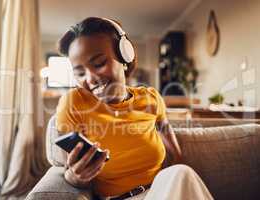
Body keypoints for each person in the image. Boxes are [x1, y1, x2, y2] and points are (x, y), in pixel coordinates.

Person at [56, 17, 213, 200]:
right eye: (80, 73)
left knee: (181, 173)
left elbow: (176, 154)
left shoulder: (150, 98)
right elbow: (67, 170)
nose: (90, 79)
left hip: (160, 192)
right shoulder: (74, 102)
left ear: (125, 57)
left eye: (98, 63)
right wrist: (76, 178)